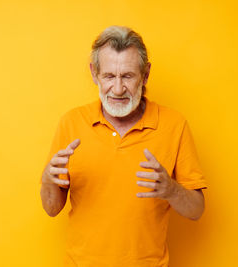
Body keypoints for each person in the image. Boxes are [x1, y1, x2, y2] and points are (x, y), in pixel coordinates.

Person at [39, 25, 208, 267]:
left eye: (127, 76)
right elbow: (52, 208)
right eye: (109, 76)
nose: (118, 89)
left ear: (146, 74)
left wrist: (170, 189)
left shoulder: (174, 125)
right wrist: (47, 180)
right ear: (94, 73)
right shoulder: (72, 122)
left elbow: (197, 210)